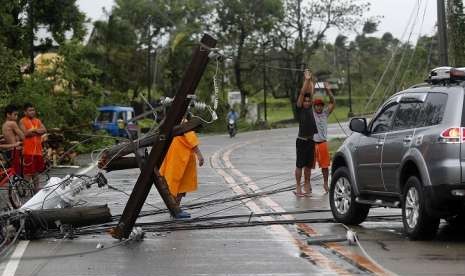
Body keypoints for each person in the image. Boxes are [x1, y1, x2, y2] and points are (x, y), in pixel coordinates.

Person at [159, 125, 204, 219]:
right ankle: (175, 210)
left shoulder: (174, 121)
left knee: (177, 184)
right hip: (180, 155)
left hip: (177, 154)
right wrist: (199, 155)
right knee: (177, 184)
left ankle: (175, 210)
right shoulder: (183, 122)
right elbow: (191, 138)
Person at [294, 69, 318, 197]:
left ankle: (307, 184)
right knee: (300, 165)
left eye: (309, 101)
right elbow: (303, 92)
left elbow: (310, 91)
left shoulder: (311, 107)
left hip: (311, 141)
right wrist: (306, 79)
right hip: (301, 141)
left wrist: (310, 79)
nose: (307, 103)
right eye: (305, 101)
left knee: (308, 166)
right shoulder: (299, 108)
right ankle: (298, 185)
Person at [313, 82, 336, 193]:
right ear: (314, 106)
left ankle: (326, 184)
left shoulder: (325, 113)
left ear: (322, 106)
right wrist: (311, 86)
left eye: (320, 105)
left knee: (325, 166)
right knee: (308, 166)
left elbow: (332, 102)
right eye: (317, 105)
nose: (319, 107)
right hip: (313, 143)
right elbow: (307, 100)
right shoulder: (312, 114)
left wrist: (328, 91)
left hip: (322, 143)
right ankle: (307, 185)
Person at [19, 103, 47, 192]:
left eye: (33, 110)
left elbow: (44, 130)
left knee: (36, 171)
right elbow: (26, 133)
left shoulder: (37, 120)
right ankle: (24, 190)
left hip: (38, 151)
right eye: (30, 110)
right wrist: (38, 131)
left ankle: (36, 189)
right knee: (28, 172)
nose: (32, 112)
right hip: (28, 151)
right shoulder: (22, 121)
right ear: (25, 112)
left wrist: (34, 130)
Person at [1, 104, 24, 174]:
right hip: (15, 150)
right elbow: (22, 136)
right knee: (19, 172)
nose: (17, 117)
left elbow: (8, 137)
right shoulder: (12, 123)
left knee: (15, 172)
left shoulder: (4, 124)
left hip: (9, 151)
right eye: (15, 115)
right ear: (8, 114)